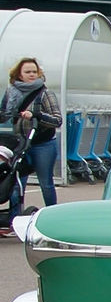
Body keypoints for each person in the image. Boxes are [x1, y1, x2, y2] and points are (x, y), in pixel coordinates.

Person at [1, 57, 62, 238]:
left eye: (34, 72)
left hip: (43, 144)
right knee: (15, 183)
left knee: (46, 183)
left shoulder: (45, 94)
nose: (31, 75)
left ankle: (54, 220)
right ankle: (14, 222)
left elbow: (57, 120)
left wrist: (35, 115)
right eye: (27, 72)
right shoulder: (12, 92)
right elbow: (4, 115)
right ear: (19, 74)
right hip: (21, 145)